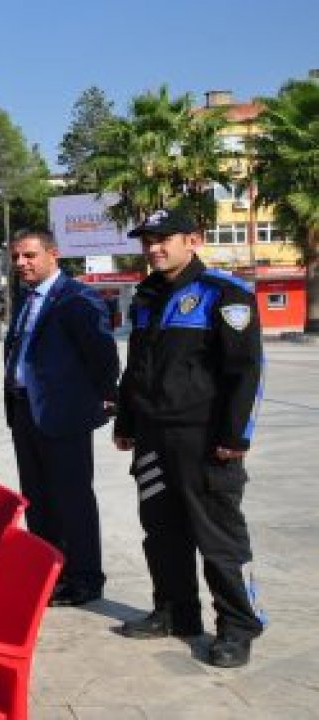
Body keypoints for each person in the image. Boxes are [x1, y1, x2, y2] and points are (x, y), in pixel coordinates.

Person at [113, 208, 266, 668]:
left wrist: (236, 436)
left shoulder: (225, 294)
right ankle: (175, 613)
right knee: (161, 531)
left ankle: (239, 626)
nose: (154, 248)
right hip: (154, 438)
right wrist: (127, 421)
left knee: (219, 537)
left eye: (164, 239)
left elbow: (245, 372)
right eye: (147, 240)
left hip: (205, 441)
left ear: (192, 240)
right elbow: (136, 368)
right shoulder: (147, 297)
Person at [3, 229, 119, 607]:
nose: (21, 263)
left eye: (30, 256)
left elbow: (103, 356)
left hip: (63, 414)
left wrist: (103, 398)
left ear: (53, 254)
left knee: (72, 499)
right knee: (38, 499)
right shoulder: (26, 297)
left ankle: (85, 578)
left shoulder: (77, 298)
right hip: (25, 410)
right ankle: (52, 572)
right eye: (17, 256)